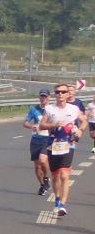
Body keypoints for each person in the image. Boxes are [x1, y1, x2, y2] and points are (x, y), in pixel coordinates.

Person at [39, 84, 87, 217]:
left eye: (63, 92)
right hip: (53, 145)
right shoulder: (49, 109)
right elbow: (42, 125)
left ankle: (62, 205)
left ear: (67, 94)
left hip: (68, 144)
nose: (60, 94)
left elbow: (84, 121)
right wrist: (53, 124)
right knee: (55, 176)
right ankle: (57, 199)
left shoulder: (74, 108)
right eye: (58, 92)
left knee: (65, 175)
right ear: (55, 94)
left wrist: (80, 130)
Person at [23, 89, 52, 196]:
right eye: (41, 96)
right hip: (35, 139)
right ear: (39, 97)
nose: (43, 98)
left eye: (45, 96)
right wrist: (32, 126)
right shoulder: (34, 109)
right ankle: (42, 185)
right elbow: (25, 123)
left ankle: (46, 178)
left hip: (47, 139)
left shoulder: (52, 109)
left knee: (43, 160)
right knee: (37, 166)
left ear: (49, 97)